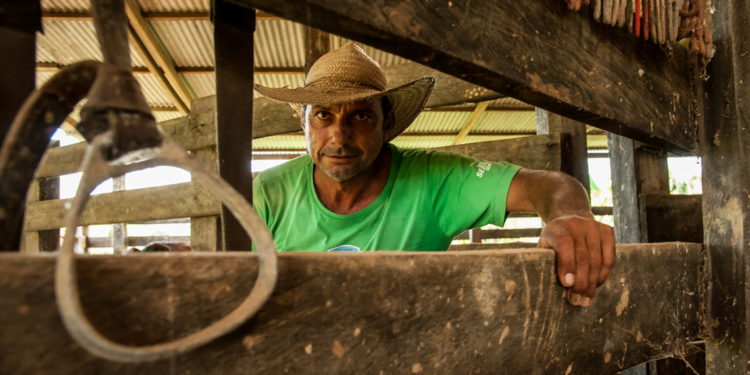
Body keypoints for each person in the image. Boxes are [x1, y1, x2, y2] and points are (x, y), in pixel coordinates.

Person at [253, 42, 615, 308]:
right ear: (302, 122)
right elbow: (244, 285)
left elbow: (547, 184)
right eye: (322, 115)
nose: (339, 136)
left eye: (361, 116)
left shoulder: (432, 180)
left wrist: (570, 215)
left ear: (388, 123)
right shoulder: (270, 191)